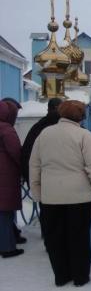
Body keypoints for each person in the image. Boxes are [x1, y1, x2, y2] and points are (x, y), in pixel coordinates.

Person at [30, 100, 91, 287]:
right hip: (79, 198)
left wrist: (37, 192)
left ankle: (61, 276)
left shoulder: (44, 135)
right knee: (78, 238)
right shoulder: (84, 136)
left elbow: (34, 165)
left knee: (55, 238)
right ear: (81, 116)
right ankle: (80, 277)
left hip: (50, 198)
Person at [20, 97, 62, 245]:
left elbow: (26, 155)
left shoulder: (38, 127)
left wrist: (31, 180)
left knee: (47, 211)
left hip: (43, 180)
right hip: (62, 180)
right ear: (56, 109)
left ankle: (49, 240)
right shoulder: (66, 128)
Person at [0, 101, 24, 258]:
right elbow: (17, 152)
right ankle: (7, 248)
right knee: (5, 212)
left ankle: (10, 239)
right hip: (5, 176)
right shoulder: (6, 130)